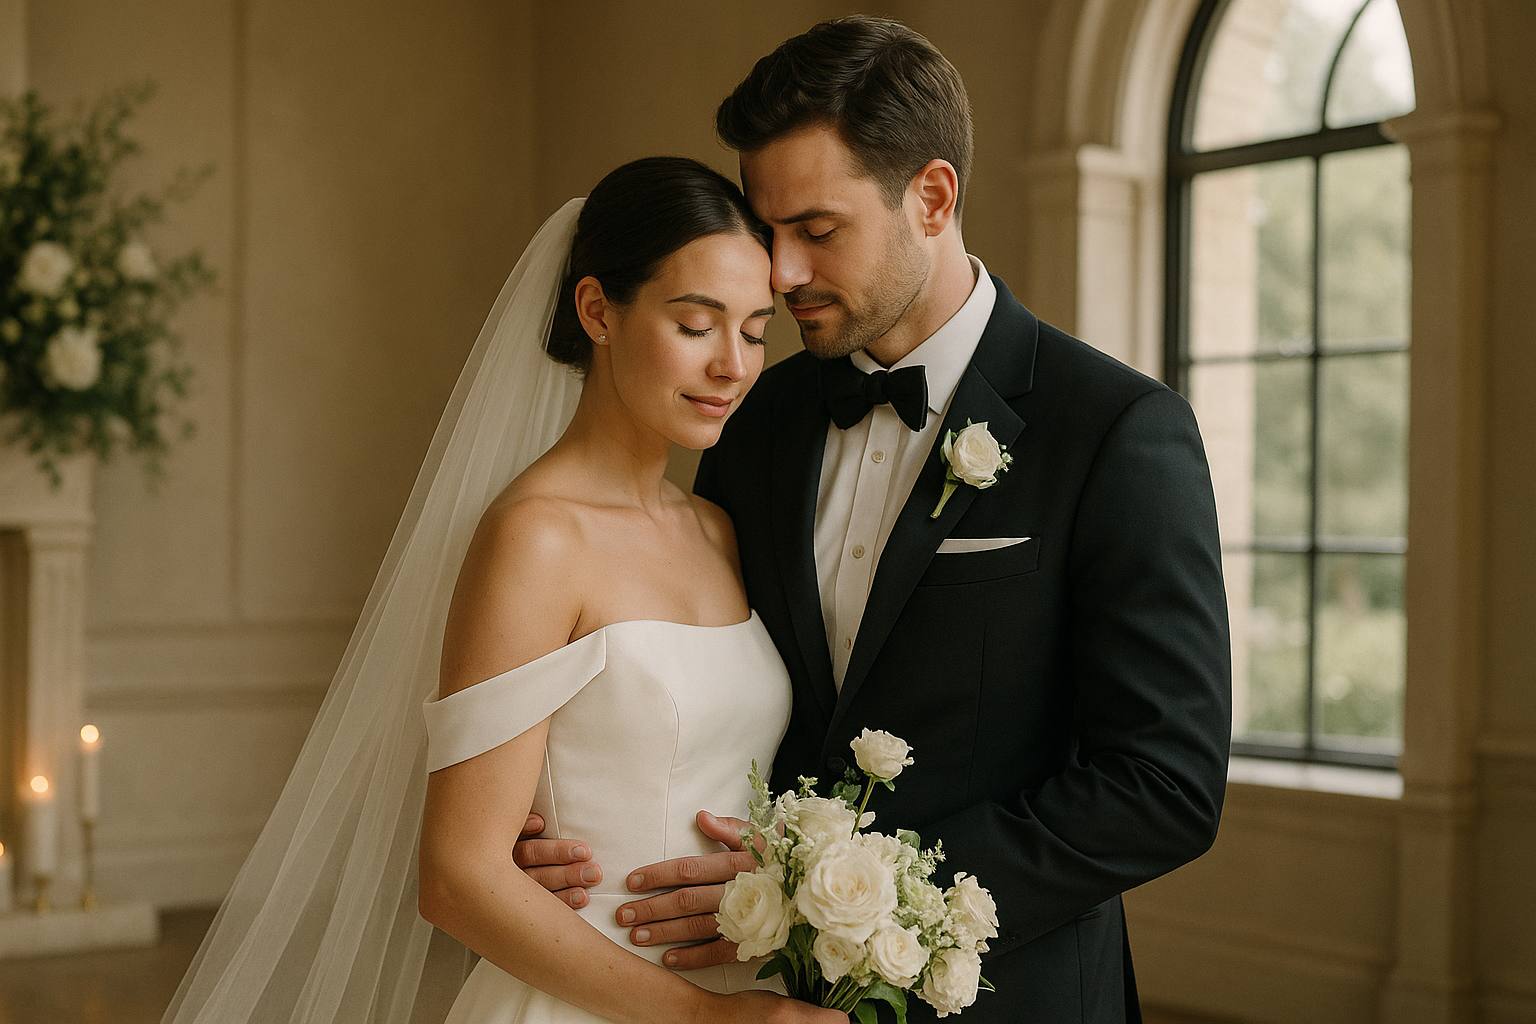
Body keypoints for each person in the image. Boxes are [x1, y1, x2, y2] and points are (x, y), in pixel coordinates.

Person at [523, 18, 1233, 1024]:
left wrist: (841, 908)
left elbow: (1164, 784)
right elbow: (690, 670)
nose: (781, 272)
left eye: (817, 230)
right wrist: (559, 818)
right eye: (768, 231)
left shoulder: (1118, 431)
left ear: (932, 198)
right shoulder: (754, 423)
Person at [162, 157, 843, 1024]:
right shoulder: (538, 536)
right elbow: (456, 878)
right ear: (598, 310)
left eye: (754, 330)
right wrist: (700, 1018)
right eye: (696, 324)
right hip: (588, 1000)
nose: (733, 367)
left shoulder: (715, 528)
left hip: (748, 991)